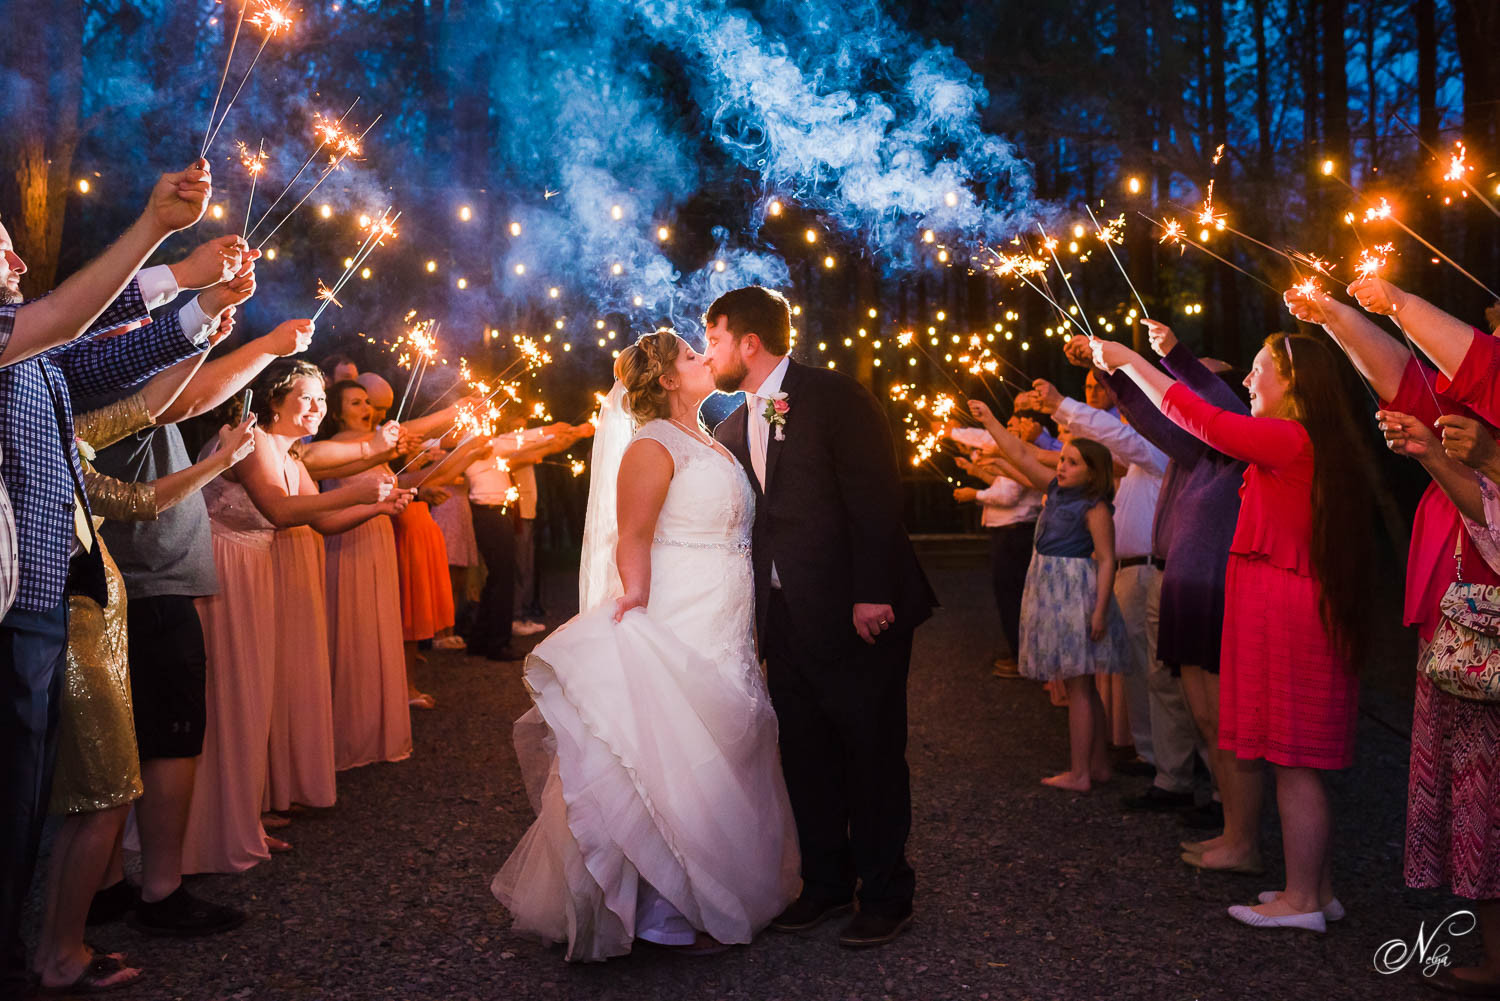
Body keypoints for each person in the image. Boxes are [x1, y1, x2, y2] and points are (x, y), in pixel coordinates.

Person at [493, 330, 798, 960]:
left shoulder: (707, 436)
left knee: (723, 736)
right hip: (679, 607)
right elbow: (631, 532)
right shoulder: (651, 443)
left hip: (725, 609)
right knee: (673, 743)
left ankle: (714, 884)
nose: (705, 359)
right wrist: (633, 596)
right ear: (664, 379)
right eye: (692, 356)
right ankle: (666, 911)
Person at [0, 162, 220, 997]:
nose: (20, 264)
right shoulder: (13, 336)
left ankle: (28, 955)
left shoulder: (36, 358)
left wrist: (201, 310)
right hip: (21, 601)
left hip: (51, 595)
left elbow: (96, 361)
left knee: (25, 802)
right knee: (18, 797)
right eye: (4, 252)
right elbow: (66, 317)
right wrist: (159, 236)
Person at [1095, 332, 1374, 933]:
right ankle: (1315, 891)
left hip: (1289, 613)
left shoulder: (1289, 437)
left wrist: (1132, 361)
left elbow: (1199, 416)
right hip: (1284, 607)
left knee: (1294, 761)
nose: (1249, 382)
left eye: (1258, 370)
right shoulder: (1296, 441)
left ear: (1294, 384)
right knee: (1290, 760)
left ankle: (1301, 901)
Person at [706, 286, 936, 948]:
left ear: (750, 342)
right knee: (804, 756)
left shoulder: (835, 397)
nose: (710, 349)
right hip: (786, 617)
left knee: (871, 753)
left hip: (858, 613)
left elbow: (874, 495)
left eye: (715, 336)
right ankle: (827, 883)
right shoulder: (732, 422)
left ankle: (888, 891)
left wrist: (872, 590)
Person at [87, 309, 314, 936]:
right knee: (166, 742)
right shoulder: (110, 389)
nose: (145, 341)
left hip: (138, 586)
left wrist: (209, 332)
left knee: (126, 743)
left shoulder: (102, 384)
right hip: (150, 586)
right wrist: (268, 346)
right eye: (133, 331)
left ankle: (107, 887)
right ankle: (161, 891)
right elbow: (185, 397)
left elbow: (184, 387)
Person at [33, 381, 255, 994]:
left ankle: (61, 942)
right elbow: (157, 407)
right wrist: (203, 300)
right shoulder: (49, 410)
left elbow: (130, 494)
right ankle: (61, 952)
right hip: (80, 611)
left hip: (95, 607)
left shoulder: (60, 428)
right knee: (101, 793)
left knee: (97, 794)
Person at [968, 402, 1131, 790]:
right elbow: (1021, 454)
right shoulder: (1055, 490)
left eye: (1073, 463)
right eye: (1063, 460)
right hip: (1055, 583)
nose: (1062, 467)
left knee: (1078, 685)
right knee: (1082, 684)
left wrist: (1099, 611)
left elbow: (1107, 560)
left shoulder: (1094, 507)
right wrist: (990, 421)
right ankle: (1099, 765)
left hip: (1074, 589)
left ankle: (1079, 773)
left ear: (1093, 472)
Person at [947, 416, 1043, 677]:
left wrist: (973, 494)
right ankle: (1020, 654)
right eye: (1007, 428)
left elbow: (1008, 494)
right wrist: (973, 469)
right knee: (1008, 597)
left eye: (1012, 428)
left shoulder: (1025, 457)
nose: (1007, 433)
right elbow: (1000, 481)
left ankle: (1021, 657)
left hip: (1015, 534)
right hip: (1009, 534)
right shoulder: (1015, 456)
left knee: (1014, 598)